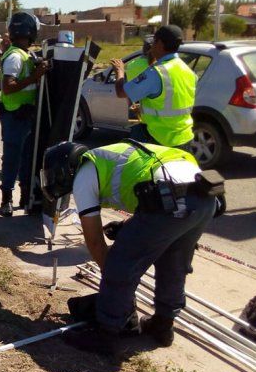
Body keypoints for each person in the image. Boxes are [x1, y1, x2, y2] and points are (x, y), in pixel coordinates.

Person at [41, 140, 219, 356]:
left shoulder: (84, 173)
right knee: (174, 263)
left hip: (169, 200)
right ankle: (163, 326)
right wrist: (127, 228)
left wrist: (116, 287)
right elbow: (150, 188)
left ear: (63, 168)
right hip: (205, 197)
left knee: (120, 263)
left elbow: (95, 242)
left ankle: (106, 334)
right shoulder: (112, 154)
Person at [110, 25, 196, 150]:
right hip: (185, 138)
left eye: (154, 41)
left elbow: (121, 92)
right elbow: (174, 100)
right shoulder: (187, 70)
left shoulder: (156, 72)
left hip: (161, 141)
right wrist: (145, 107)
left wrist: (120, 72)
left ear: (160, 43)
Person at [0, 12, 49, 216]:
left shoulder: (24, 54)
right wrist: (35, 76)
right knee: (12, 158)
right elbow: (8, 87)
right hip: (14, 117)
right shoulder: (15, 57)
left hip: (24, 116)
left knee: (27, 158)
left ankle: (25, 196)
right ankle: (6, 199)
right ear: (30, 31)